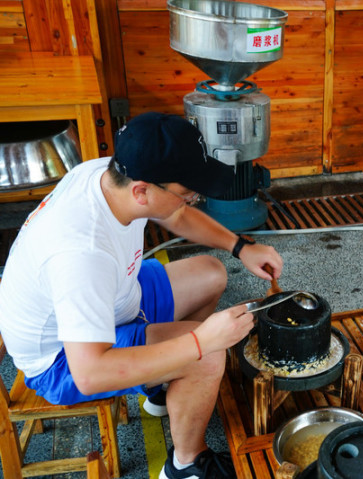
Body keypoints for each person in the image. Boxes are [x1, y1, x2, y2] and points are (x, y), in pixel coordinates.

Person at [0, 112, 284, 479]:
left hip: (116, 294)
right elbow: (89, 373)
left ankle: (163, 383)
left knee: (210, 274)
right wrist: (200, 343)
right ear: (142, 191)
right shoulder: (81, 254)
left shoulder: (108, 173)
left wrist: (241, 246)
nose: (193, 199)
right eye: (188, 192)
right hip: (64, 359)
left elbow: (176, 215)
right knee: (209, 356)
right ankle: (185, 464)